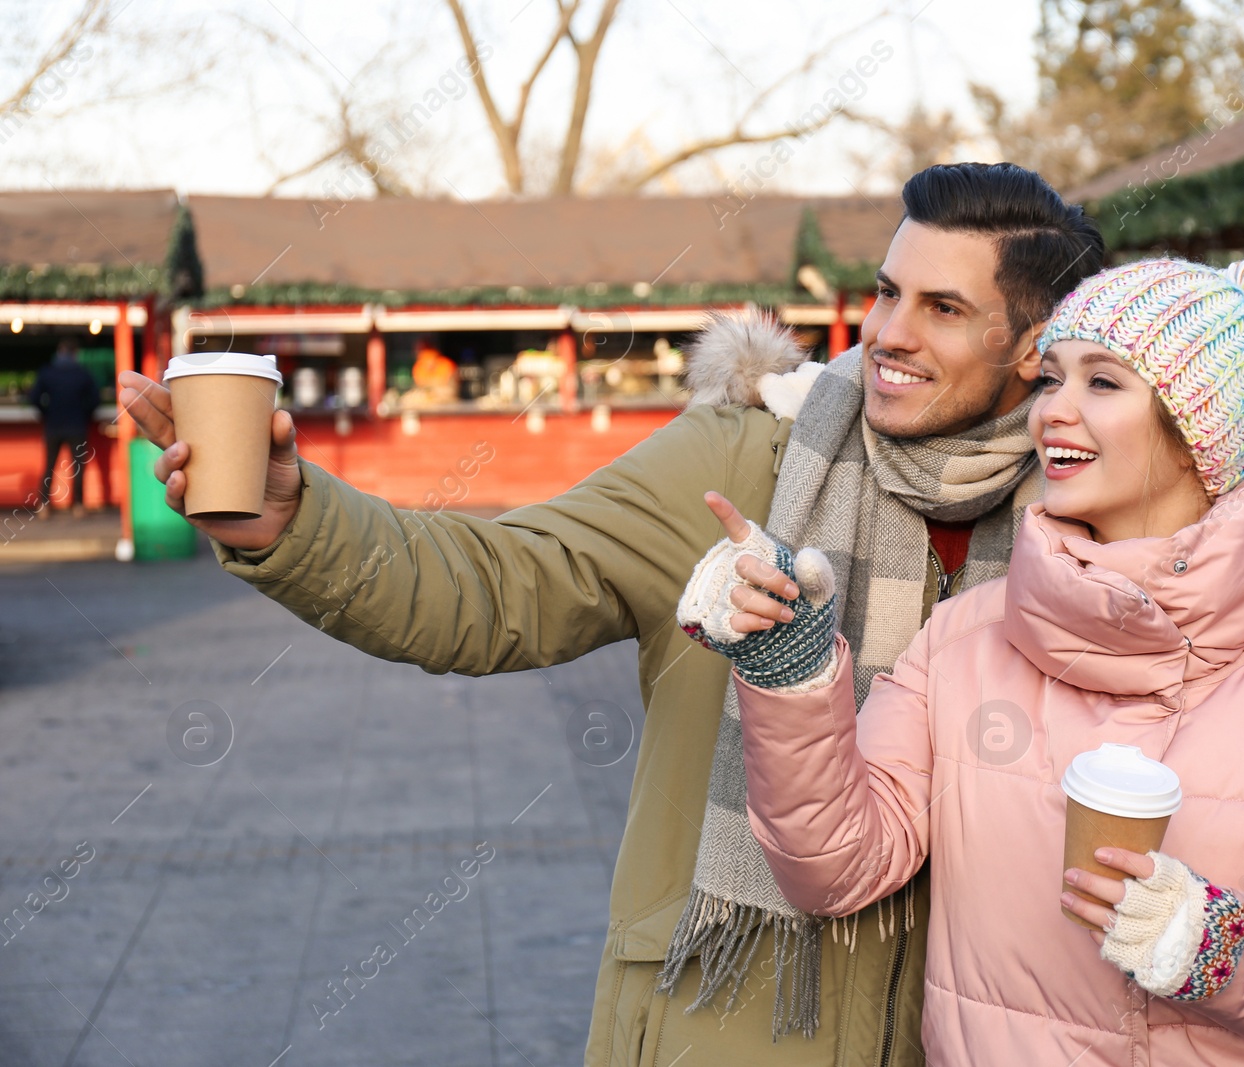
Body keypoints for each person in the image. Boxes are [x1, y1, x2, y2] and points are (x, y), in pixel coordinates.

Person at [115, 161, 1105, 1066]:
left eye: (942, 307)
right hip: (725, 1027)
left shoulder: (1090, 527)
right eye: (888, 292)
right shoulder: (740, 460)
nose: (888, 333)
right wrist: (293, 517)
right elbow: (496, 582)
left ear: (1033, 347)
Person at [683, 257, 1244, 1065]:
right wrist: (789, 665)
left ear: (1200, 434)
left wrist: (1223, 949)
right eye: (1052, 378)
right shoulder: (962, 642)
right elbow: (836, 870)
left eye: (1102, 383)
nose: (1053, 411)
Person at [28, 339, 101, 518]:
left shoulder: (47, 372)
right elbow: (95, 400)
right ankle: (78, 506)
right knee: (77, 467)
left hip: (53, 426)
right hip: (77, 426)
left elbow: (33, 398)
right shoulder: (82, 373)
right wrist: (85, 415)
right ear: (75, 353)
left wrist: (46, 413)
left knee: (50, 466)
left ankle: (43, 505)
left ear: (59, 351)